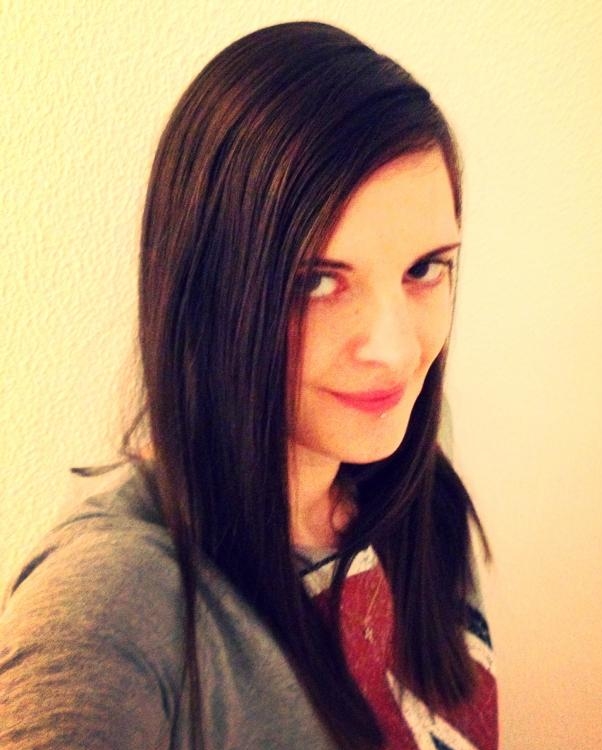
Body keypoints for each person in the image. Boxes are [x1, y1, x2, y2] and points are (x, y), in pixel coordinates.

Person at [0, 21, 498, 750]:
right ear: (204, 288)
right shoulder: (109, 608)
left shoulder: (412, 472)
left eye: (424, 269)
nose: (394, 352)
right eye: (317, 280)